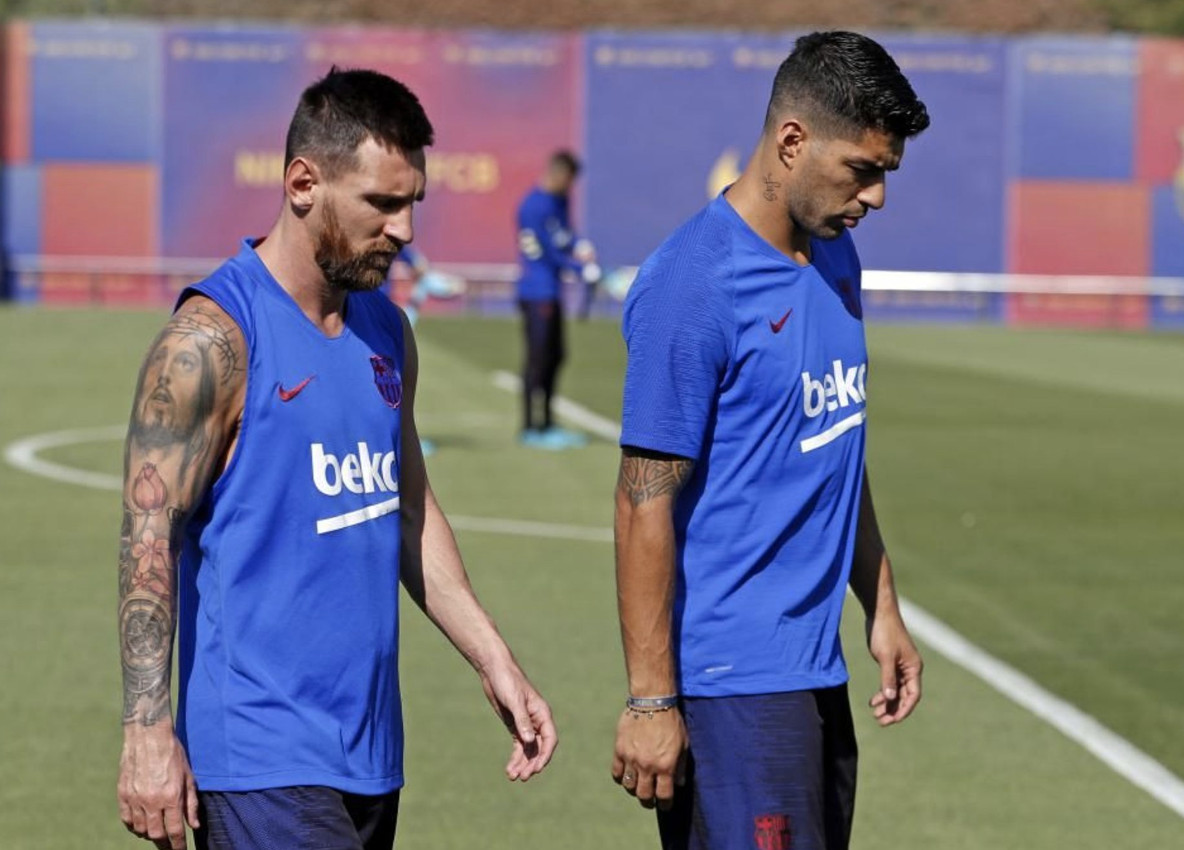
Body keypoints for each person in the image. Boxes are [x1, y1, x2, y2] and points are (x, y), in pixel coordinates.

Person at [116, 68, 557, 850]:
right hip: (257, 759)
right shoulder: (211, 341)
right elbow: (148, 537)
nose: (405, 230)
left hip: (372, 756)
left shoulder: (388, 333)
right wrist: (147, 733)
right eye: (383, 204)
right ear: (302, 183)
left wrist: (497, 661)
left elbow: (410, 511)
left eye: (413, 201)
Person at [610, 31, 930, 849]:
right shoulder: (692, 284)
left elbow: (833, 448)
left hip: (816, 671)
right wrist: (650, 701)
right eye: (864, 169)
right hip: (734, 687)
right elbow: (643, 499)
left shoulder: (835, 255)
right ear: (792, 141)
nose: (878, 197)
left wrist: (880, 605)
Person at [514, 150, 599, 450]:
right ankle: (529, 427)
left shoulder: (560, 200)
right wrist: (580, 269)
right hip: (536, 292)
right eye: (570, 180)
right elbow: (547, 253)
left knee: (556, 356)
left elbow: (565, 236)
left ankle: (547, 423)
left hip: (553, 291)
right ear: (560, 174)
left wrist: (580, 246)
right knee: (537, 360)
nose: (571, 187)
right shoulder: (532, 206)